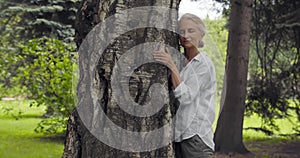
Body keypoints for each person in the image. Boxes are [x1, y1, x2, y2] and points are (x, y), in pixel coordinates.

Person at [154, 13, 216, 158]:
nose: (185, 35)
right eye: (181, 31)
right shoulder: (181, 62)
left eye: (191, 31)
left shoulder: (203, 65)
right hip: (179, 136)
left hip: (195, 138)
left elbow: (186, 97)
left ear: (201, 34)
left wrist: (170, 65)